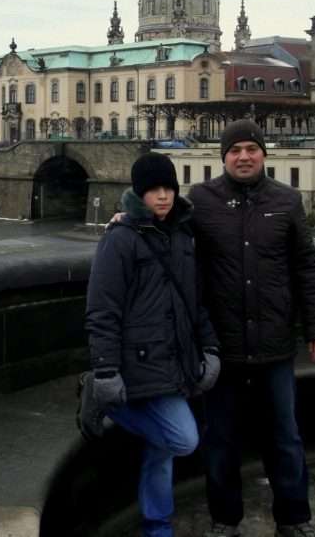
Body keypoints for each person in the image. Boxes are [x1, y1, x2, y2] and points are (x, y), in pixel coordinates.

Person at [192, 120, 315, 537]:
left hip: (274, 343)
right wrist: (128, 213)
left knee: (285, 439)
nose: (244, 156)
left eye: (252, 148)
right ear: (224, 157)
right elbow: (173, 243)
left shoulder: (287, 201)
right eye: (235, 150)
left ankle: (293, 519)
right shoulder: (201, 199)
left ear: (264, 154)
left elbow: (305, 265)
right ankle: (224, 519)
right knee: (220, 442)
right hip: (222, 345)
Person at [80, 152, 222, 537]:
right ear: (138, 193)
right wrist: (106, 371)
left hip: (172, 359)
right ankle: (100, 397)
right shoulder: (121, 238)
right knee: (183, 439)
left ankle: (157, 525)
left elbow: (195, 300)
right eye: (153, 190)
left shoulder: (183, 234)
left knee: (162, 452)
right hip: (137, 361)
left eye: (168, 188)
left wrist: (209, 349)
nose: (162, 196)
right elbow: (102, 309)